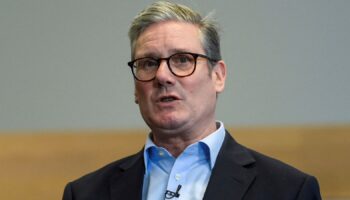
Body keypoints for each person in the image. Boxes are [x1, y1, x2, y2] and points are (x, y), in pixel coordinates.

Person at [62, 1, 321, 199]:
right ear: (135, 87)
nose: (162, 76)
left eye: (183, 60)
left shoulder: (290, 190)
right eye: (149, 63)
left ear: (218, 76)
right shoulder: (84, 193)